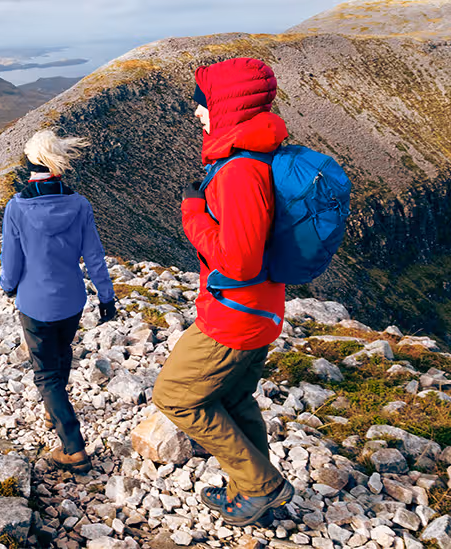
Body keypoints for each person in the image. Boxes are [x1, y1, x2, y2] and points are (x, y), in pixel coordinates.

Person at [152, 58, 294, 527]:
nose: (197, 113)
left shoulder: (239, 171)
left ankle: (261, 486)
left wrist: (193, 212)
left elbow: (238, 262)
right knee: (233, 399)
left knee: (174, 394)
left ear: (224, 105)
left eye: (202, 103)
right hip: (262, 309)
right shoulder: (259, 156)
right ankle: (249, 492)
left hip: (233, 314)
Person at [0, 129, 116, 473]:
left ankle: (73, 447)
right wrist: (106, 296)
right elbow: (94, 255)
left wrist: (8, 286)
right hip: (71, 301)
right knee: (62, 354)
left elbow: (12, 259)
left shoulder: (16, 207)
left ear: (30, 164)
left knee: (46, 374)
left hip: (34, 302)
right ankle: (54, 410)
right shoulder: (79, 204)